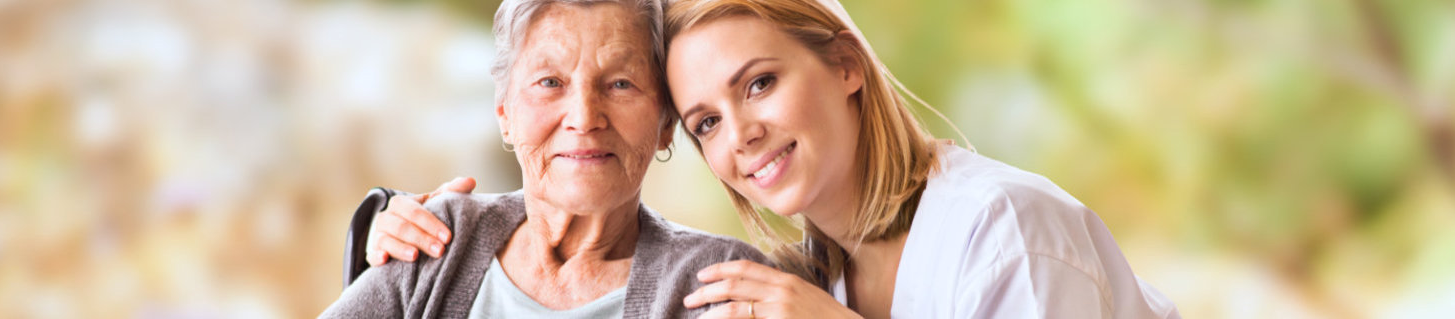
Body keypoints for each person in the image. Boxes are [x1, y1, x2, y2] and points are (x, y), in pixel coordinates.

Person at [368, 0, 1182, 317]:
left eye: (759, 83)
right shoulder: (805, 278)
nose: (741, 135)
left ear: (846, 65)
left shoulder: (1006, 230)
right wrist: (382, 237)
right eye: (707, 120)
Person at [318, 0, 766, 318]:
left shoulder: (719, 284)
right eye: (550, 82)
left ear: (666, 123)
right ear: (505, 115)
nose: (585, 118)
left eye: (621, 84)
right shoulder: (441, 237)